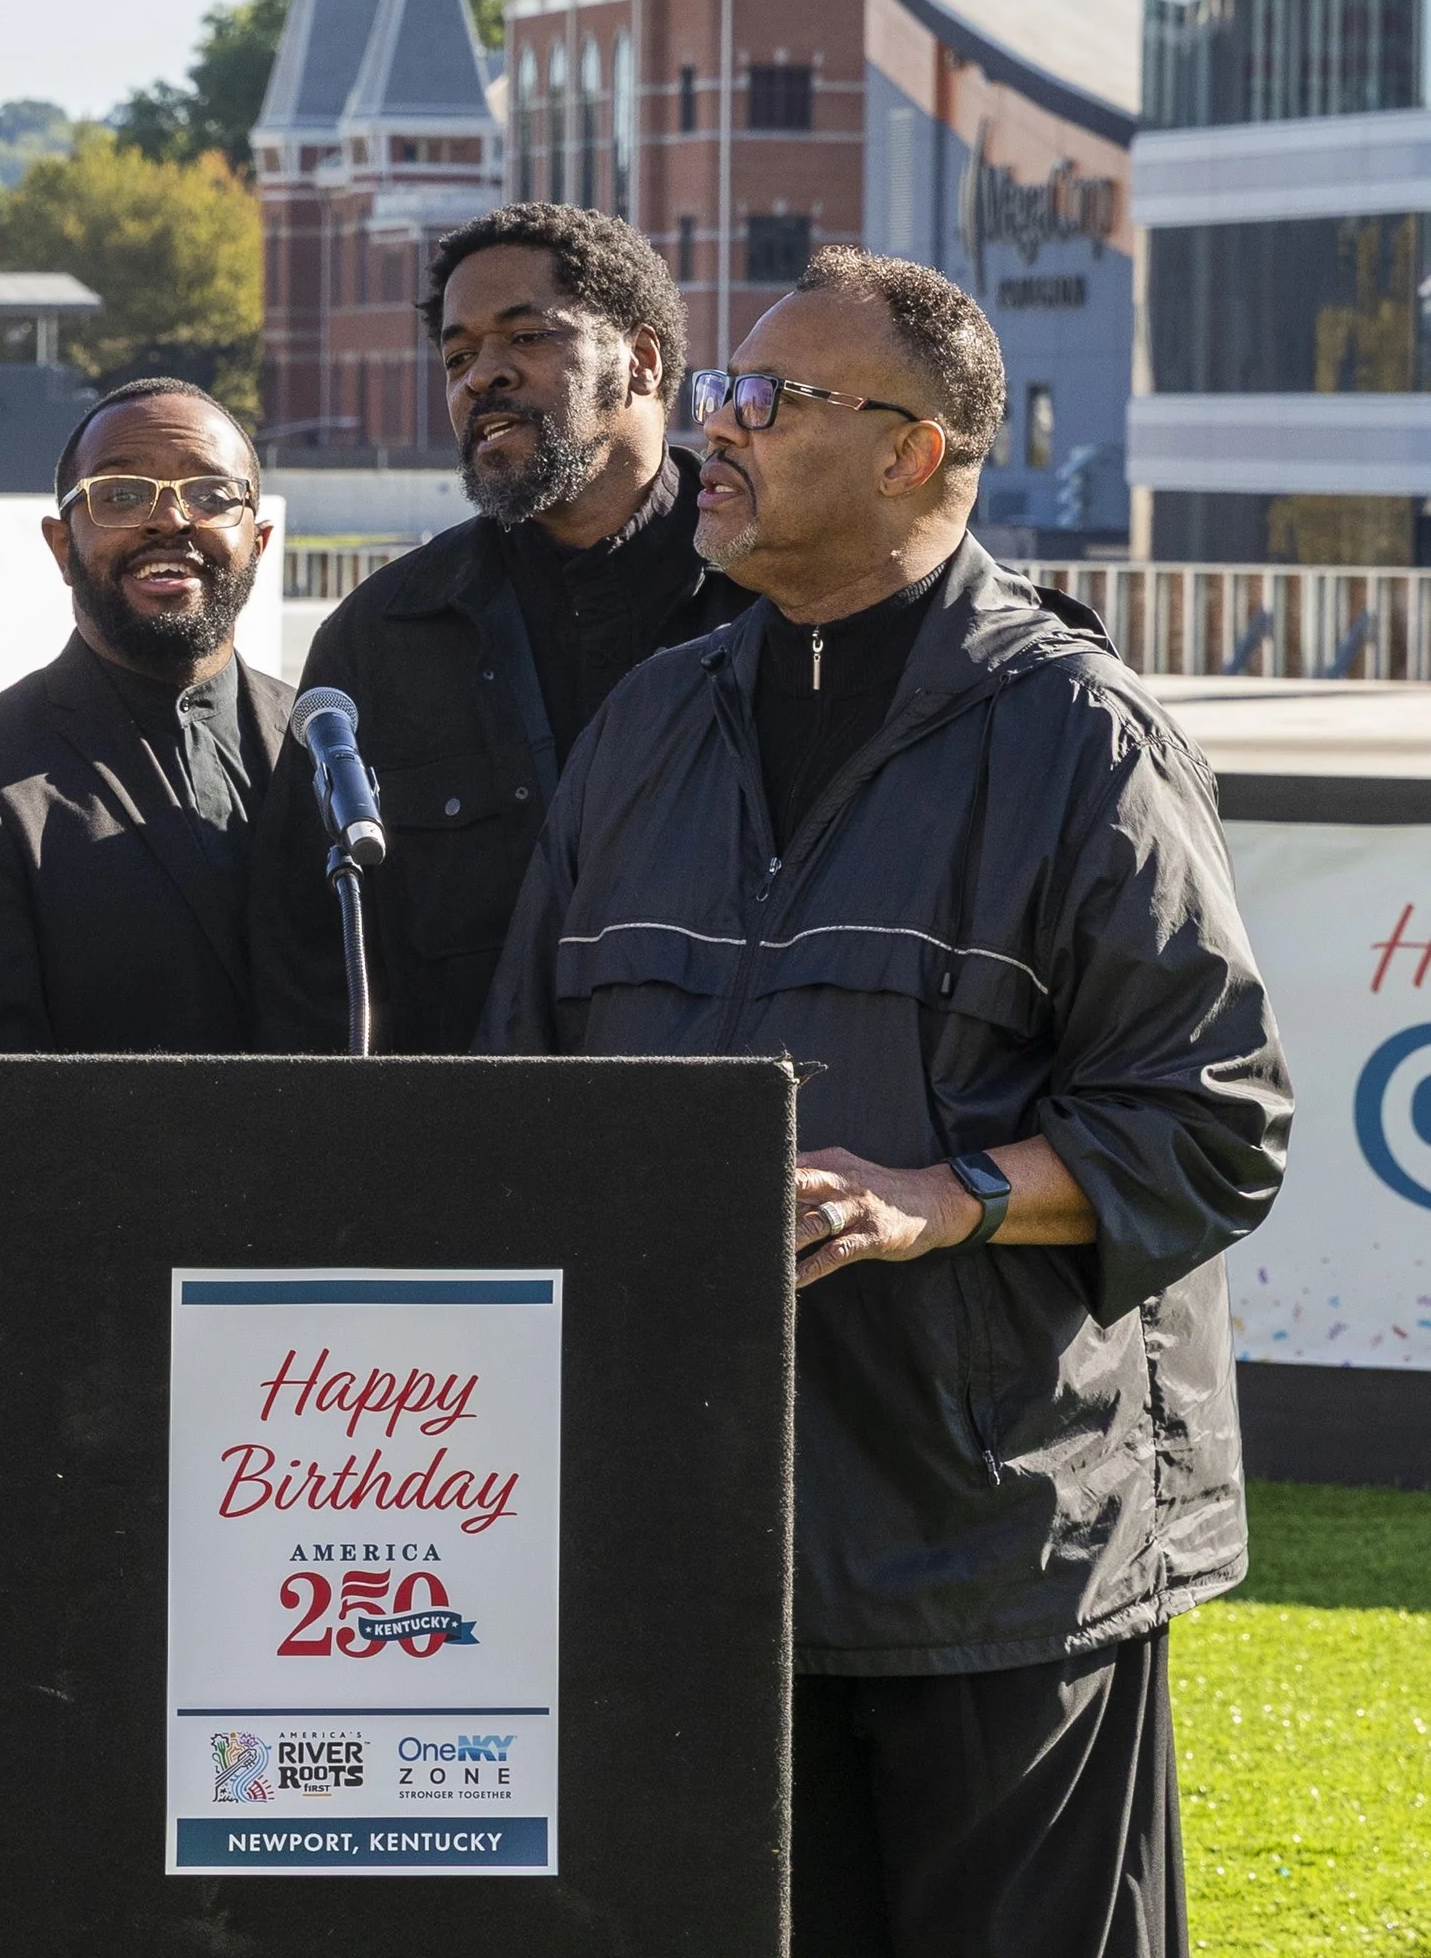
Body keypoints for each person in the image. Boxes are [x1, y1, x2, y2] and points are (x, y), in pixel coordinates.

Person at [479, 250, 1294, 1956]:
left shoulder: (1085, 741)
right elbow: (524, 1102)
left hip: (1002, 1563)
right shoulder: (648, 729)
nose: (716, 428)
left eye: (764, 403)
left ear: (913, 451)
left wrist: (947, 1200)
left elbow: (1216, 1122)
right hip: (701, 1556)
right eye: (716, 392)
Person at [253, 202, 748, 1054]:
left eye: (525, 339)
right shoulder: (378, 639)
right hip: (454, 1161)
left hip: (736, 1154)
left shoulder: (775, 606)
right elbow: (310, 966)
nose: (482, 377)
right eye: (457, 355)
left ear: (639, 360)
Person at [0, 378, 292, 1159]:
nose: (170, 519)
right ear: (62, 546)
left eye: (209, 493)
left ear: (258, 542)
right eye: (122, 494)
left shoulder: (330, 747)